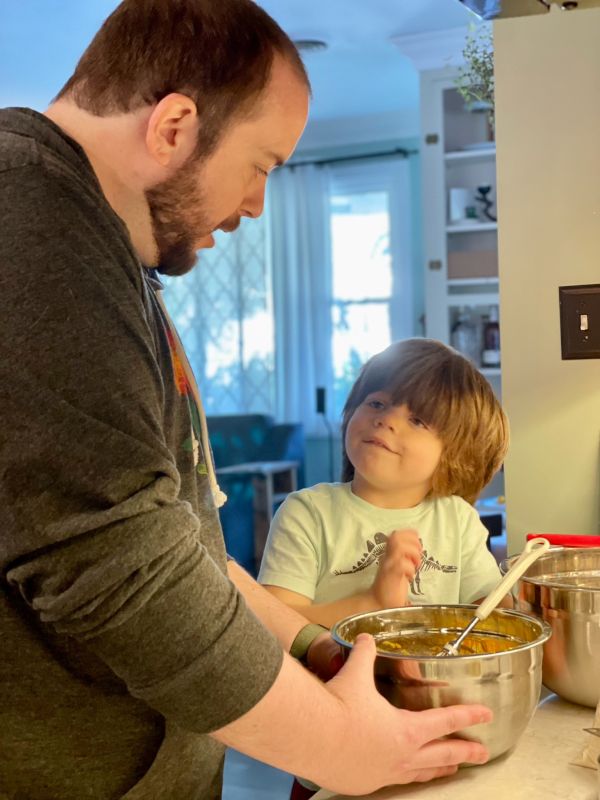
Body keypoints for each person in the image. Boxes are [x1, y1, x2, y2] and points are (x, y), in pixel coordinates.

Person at [0, 3, 493, 798]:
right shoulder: (32, 228)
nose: (258, 203)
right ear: (174, 127)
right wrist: (343, 747)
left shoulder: (106, 252)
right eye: (262, 165)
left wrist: (317, 651)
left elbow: (181, 541)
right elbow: (122, 568)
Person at [259, 338, 510, 798]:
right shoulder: (308, 513)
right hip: (331, 749)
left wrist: (519, 595)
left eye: (417, 420)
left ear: (455, 453)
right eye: (376, 402)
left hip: (436, 738)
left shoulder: (456, 519)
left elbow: (491, 615)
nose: (386, 419)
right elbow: (271, 622)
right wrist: (372, 603)